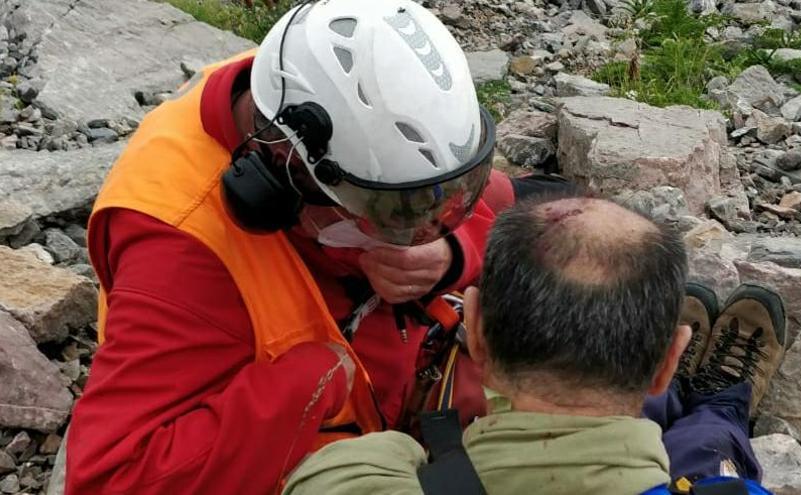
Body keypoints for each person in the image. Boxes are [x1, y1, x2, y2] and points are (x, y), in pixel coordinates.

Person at [64, 1, 555, 493]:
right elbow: (107, 478)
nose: (418, 233)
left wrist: (453, 253)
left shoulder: (307, 91)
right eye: (392, 215)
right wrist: (316, 380)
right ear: (285, 177)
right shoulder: (181, 253)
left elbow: (445, 200)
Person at [284, 194, 786, 495]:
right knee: (705, 451)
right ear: (667, 360)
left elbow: (364, 462)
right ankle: (721, 401)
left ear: (475, 332)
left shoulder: (345, 478)